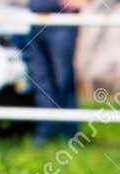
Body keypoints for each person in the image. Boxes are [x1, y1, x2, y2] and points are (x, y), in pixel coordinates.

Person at [24, 0, 85, 144]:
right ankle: (45, 132)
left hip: (62, 21)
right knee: (40, 80)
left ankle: (70, 134)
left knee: (63, 78)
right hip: (35, 20)